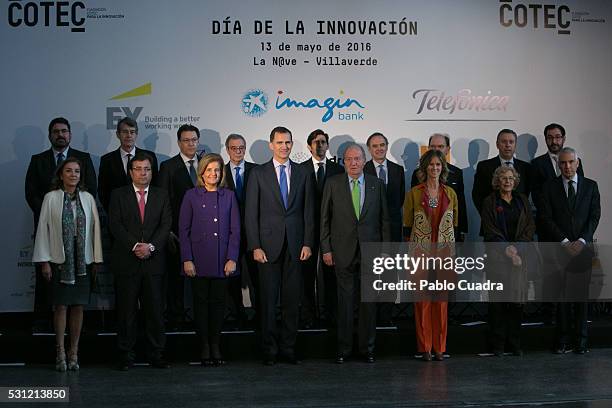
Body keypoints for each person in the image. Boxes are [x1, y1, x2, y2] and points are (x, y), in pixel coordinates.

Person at [245, 126, 315, 365]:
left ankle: (288, 349)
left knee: (291, 302)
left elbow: (309, 211)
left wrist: (307, 242)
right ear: (270, 145)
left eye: (288, 143)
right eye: (280, 142)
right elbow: (250, 214)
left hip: (296, 247)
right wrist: (255, 245)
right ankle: (269, 351)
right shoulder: (257, 174)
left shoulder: (303, 173)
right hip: (267, 248)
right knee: (267, 302)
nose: (284, 147)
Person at [320, 143, 390, 364]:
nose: (353, 163)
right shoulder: (332, 184)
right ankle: (344, 349)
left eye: (357, 159)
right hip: (341, 252)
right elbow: (324, 220)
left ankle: (367, 349)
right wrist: (326, 249)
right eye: (349, 159)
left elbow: (385, 221)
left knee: (368, 303)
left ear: (364, 160)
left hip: (371, 252)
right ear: (343, 162)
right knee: (345, 303)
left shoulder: (376, 184)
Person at [26, 117, 97, 332]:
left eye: (64, 131)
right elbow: (31, 194)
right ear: (50, 135)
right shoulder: (38, 160)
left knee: (79, 280)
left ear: (70, 135)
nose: (60, 135)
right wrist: (53, 215)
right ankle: (43, 323)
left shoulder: (83, 159)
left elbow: (91, 190)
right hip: (48, 230)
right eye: (56, 131)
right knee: (46, 278)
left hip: (79, 232)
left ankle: (76, 325)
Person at [32, 157, 103, 371]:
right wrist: (44, 261)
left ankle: (74, 351)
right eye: (69, 171)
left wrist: (96, 259)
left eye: (77, 172)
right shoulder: (51, 198)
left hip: (83, 261)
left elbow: (95, 231)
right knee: (61, 306)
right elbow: (42, 230)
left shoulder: (88, 198)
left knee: (78, 306)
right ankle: (60, 350)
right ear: (61, 174)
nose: (73, 175)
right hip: (58, 261)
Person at [109, 152, 172, 370]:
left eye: (147, 169)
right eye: (138, 169)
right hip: (127, 261)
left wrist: (150, 247)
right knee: (126, 312)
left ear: (152, 172)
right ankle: (126, 354)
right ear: (130, 172)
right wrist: (136, 246)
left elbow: (166, 225)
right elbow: (115, 225)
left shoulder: (162, 195)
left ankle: (156, 354)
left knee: (155, 311)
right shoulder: (118, 195)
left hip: (154, 261)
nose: (143, 173)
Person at [179, 153, 240, 366]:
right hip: (198, 260)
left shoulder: (229, 196)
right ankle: (204, 345)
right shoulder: (191, 196)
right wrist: (187, 259)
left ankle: (216, 344)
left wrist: (232, 258)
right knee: (200, 305)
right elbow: (183, 230)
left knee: (218, 305)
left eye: (217, 170)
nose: (213, 173)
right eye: (209, 170)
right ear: (202, 173)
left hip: (222, 260)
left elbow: (235, 230)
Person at [539, 147, 600, 355]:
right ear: (559, 165)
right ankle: (563, 341)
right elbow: (546, 218)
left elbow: (594, 217)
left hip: (583, 249)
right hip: (560, 249)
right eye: (563, 163)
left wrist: (582, 241)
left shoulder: (591, 186)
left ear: (578, 163)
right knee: (562, 298)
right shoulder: (549, 187)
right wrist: (565, 241)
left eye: (570, 162)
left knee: (581, 298)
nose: (567, 166)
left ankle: (581, 342)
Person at [404, 149, 458, 361]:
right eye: (431, 165)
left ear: (442, 168)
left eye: (438, 165)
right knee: (423, 300)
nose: (434, 168)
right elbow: (407, 227)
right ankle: (425, 347)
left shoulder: (451, 194)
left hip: (444, 253)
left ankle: (440, 348)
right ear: (424, 167)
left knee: (441, 302)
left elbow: (454, 226)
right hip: (420, 252)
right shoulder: (414, 193)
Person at [481, 166, 536, 356]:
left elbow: (530, 227)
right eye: (503, 178)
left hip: (519, 260)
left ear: (515, 181)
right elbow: (489, 230)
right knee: (497, 304)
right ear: (497, 181)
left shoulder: (522, 201)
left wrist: (517, 250)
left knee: (516, 304)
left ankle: (514, 344)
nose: (507, 181)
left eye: (511, 178)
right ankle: (497, 345)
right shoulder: (489, 202)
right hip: (497, 260)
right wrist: (507, 249)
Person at [298, 129, 344, 328]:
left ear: (328, 145)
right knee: (306, 276)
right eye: (316, 142)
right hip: (305, 230)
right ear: (309, 146)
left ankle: (331, 315)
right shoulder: (299, 170)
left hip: (333, 231)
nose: (320, 145)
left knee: (331, 275)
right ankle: (308, 316)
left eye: (324, 142)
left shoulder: (337, 170)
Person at [158, 124, 201, 330]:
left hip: (205, 236)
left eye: (194, 140)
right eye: (186, 140)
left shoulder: (207, 164)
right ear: (179, 143)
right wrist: (168, 231)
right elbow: (163, 202)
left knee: (202, 281)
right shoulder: (168, 167)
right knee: (176, 281)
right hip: (177, 234)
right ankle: (176, 320)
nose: (191, 143)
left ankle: (199, 319)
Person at [222, 134, 257, 328]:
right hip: (229, 234)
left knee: (256, 276)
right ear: (227, 150)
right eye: (234, 148)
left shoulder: (256, 171)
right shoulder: (220, 173)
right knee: (233, 277)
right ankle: (235, 315)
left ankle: (258, 315)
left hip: (253, 233)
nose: (238, 151)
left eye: (241, 148)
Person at [411, 133, 467, 240]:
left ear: (447, 149)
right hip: (423, 230)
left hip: (448, 230)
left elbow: (460, 203)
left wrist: (462, 229)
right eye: (433, 146)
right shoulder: (418, 173)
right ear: (428, 149)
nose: (436, 150)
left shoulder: (456, 173)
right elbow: (413, 205)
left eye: (440, 146)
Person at [98, 117, 159, 213]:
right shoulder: (107, 160)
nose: (129, 135)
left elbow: (155, 186)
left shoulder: (149, 156)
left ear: (136, 135)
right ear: (118, 134)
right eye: (125, 132)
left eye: (132, 132)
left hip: (146, 213)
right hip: (117, 214)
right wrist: (113, 211)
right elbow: (103, 191)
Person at [472, 129, 531, 217]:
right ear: (497, 144)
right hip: (492, 222)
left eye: (511, 142)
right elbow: (477, 196)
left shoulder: (526, 168)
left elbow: (526, 194)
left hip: (519, 222)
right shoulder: (484, 167)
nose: (508, 145)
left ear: (515, 145)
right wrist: (489, 216)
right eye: (504, 141)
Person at [365, 132, 405, 241]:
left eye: (382, 145)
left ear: (387, 146)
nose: (379, 148)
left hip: (393, 228)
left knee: (392, 258)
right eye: (375, 146)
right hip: (370, 229)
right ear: (369, 149)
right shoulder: (362, 171)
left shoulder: (398, 170)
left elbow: (400, 199)